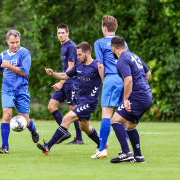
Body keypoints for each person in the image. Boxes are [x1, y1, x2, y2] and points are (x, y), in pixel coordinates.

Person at [37, 42, 102, 155]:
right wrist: (53, 74)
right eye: (77, 55)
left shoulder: (97, 66)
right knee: (84, 127)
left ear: (87, 53)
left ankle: (47, 146)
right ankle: (101, 144)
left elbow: (106, 79)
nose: (77, 57)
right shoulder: (78, 66)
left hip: (90, 101)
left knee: (67, 118)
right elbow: (65, 76)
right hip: (81, 100)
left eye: (80, 55)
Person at [91, 15, 130, 159]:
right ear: (116, 28)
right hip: (125, 78)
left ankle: (102, 149)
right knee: (123, 115)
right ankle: (125, 149)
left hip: (111, 78)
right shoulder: (122, 42)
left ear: (104, 28)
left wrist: (103, 79)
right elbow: (128, 59)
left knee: (106, 115)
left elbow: (100, 64)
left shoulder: (99, 42)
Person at [109, 36, 152, 163]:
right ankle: (138, 156)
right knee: (129, 125)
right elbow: (148, 73)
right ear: (125, 46)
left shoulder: (122, 59)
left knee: (115, 120)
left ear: (113, 48)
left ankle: (126, 153)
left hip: (138, 96)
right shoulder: (134, 56)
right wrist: (142, 87)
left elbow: (128, 79)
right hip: (147, 95)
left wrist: (126, 99)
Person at [47, 23, 83, 145]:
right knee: (51, 106)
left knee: (73, 111)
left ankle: (79, 139)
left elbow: (71, 67)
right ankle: (64, 132)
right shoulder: (63, 46)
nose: (61, 35)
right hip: (65, 81)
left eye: (63, 33)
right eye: (59, 33)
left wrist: (61, 82)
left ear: (67, 33)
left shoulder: (71, 46)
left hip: (71, 82)